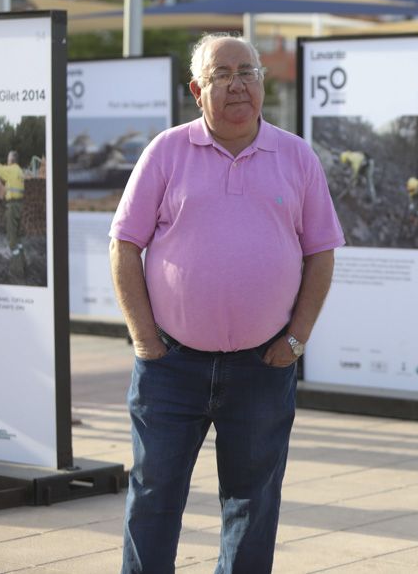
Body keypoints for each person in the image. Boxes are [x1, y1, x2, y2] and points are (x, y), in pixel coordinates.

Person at [110, 33, 345, 573]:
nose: (238, 84)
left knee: (253, 505)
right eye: (222, 75)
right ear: (197, 89)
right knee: (153, 500)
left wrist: (296, 338)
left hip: (263, 366)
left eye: (248, 72)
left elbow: (321, 252)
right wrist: (145, 339)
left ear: (263, 82)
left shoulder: (296, 155)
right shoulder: (167, 151)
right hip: (170, 365)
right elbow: (124, 244)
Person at [0, 150, 26, 279]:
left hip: (12, 207)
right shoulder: (19, 171)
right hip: (19, 205)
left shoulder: (11, 170)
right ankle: (23, 263)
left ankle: (17, 271)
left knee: (12, 240)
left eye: (8, 158)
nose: (7, 160)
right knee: (17, 238)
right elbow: (4, 170)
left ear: (12, 159)